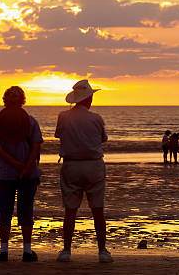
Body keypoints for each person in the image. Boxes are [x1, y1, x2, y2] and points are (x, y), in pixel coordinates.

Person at [55, 79, 113, 264]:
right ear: (88, 99)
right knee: (98, 210)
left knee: (70, 210)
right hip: (93, 165)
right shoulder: (96, 118)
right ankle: (102, 251)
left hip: (71, 165)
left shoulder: (63, 116)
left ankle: (66, 250)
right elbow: (102, 139)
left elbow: (58, 135)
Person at [0, 86, 42, 262]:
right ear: (23, 100)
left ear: (5, 100)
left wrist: (15, 164)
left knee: (5, 210)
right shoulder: (30, 120)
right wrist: (25, 167)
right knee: (26, 210)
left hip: (5, 172)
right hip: (27, 173)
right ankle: (27, 251)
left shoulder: (0, 121)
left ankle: (4, 251)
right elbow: (36, 146)